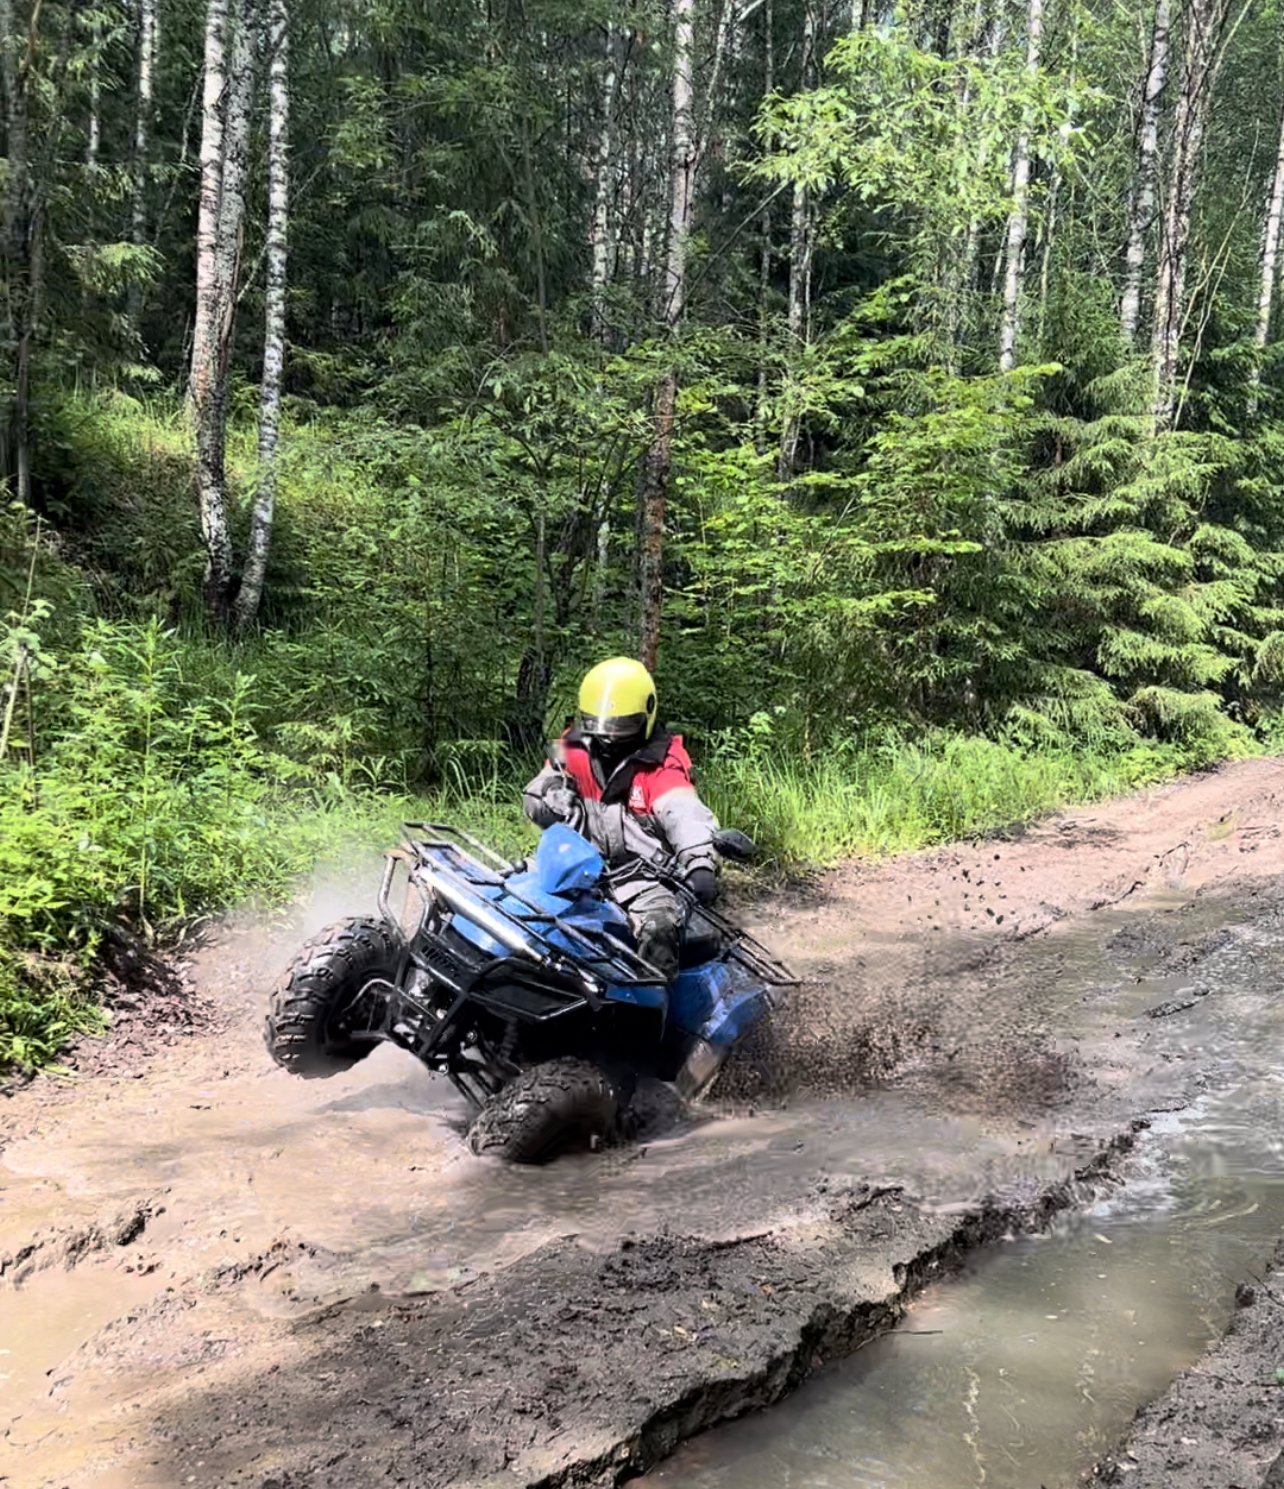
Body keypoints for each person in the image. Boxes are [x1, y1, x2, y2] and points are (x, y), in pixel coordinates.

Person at [523, 657, 718, 981]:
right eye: (599, 726)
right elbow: (538, 788)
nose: (610, 737)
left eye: (622, 726)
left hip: (644, 880)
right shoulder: (571, 744)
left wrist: (699, 862)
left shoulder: (664, 763)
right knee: (512, 894)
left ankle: (649, 1007)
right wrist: (548, 796)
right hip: (576, 865)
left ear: (647, 714)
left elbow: (684, 813)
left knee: (659, 930)